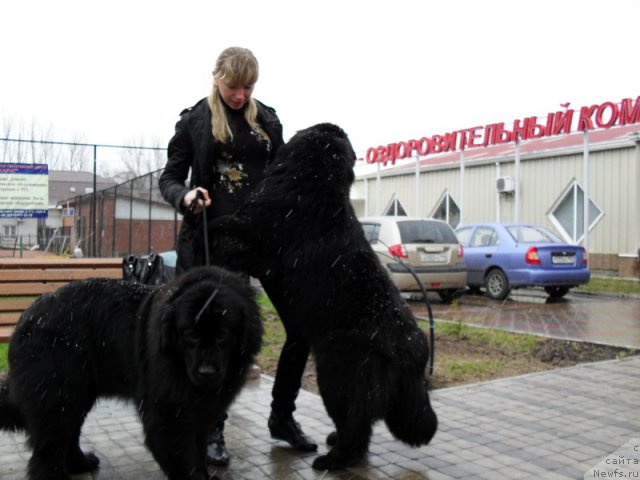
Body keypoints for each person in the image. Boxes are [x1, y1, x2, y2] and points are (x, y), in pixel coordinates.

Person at [158, 46, 317, 467]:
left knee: (301, 328)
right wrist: (187, 195)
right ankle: (212, 429)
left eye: (248, 87)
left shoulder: (268, 119)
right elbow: (170, 177)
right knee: (218, 337)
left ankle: (282, 416)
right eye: (233, 87)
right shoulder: (194, 121)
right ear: (216, 78)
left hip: (266, 239)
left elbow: (282, 173)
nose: (240, 95)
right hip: (213, 243)